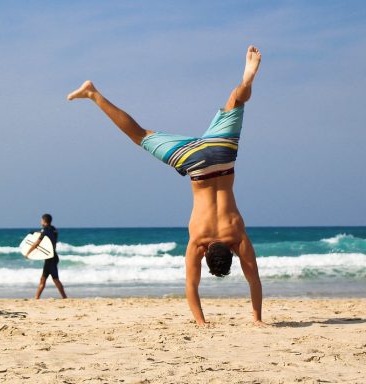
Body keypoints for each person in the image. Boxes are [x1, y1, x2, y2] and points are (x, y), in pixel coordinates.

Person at [67, 46, 266, 326]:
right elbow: (192, 286)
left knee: (236, 100)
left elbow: (254, 280)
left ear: (229, 253)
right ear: (206, 254)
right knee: (140, 135)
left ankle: (246, 80)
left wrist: (257, 318)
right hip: (194, 164)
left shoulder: (237, 235)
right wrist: (201, 322)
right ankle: (93, 94)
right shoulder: (199, 241)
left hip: (221, 154)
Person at [25, 213, 67, 299]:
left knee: (55, 279)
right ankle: (36, 298)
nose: (40, 221)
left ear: (44, 221)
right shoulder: (54, 230)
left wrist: (28, 252)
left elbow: (37, 243)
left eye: (41, 220)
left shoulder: (45, 231)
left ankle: (64, 298)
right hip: (52, 257)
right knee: (43, 279)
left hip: (50, 259)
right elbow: (46, 234)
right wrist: (36, 232)